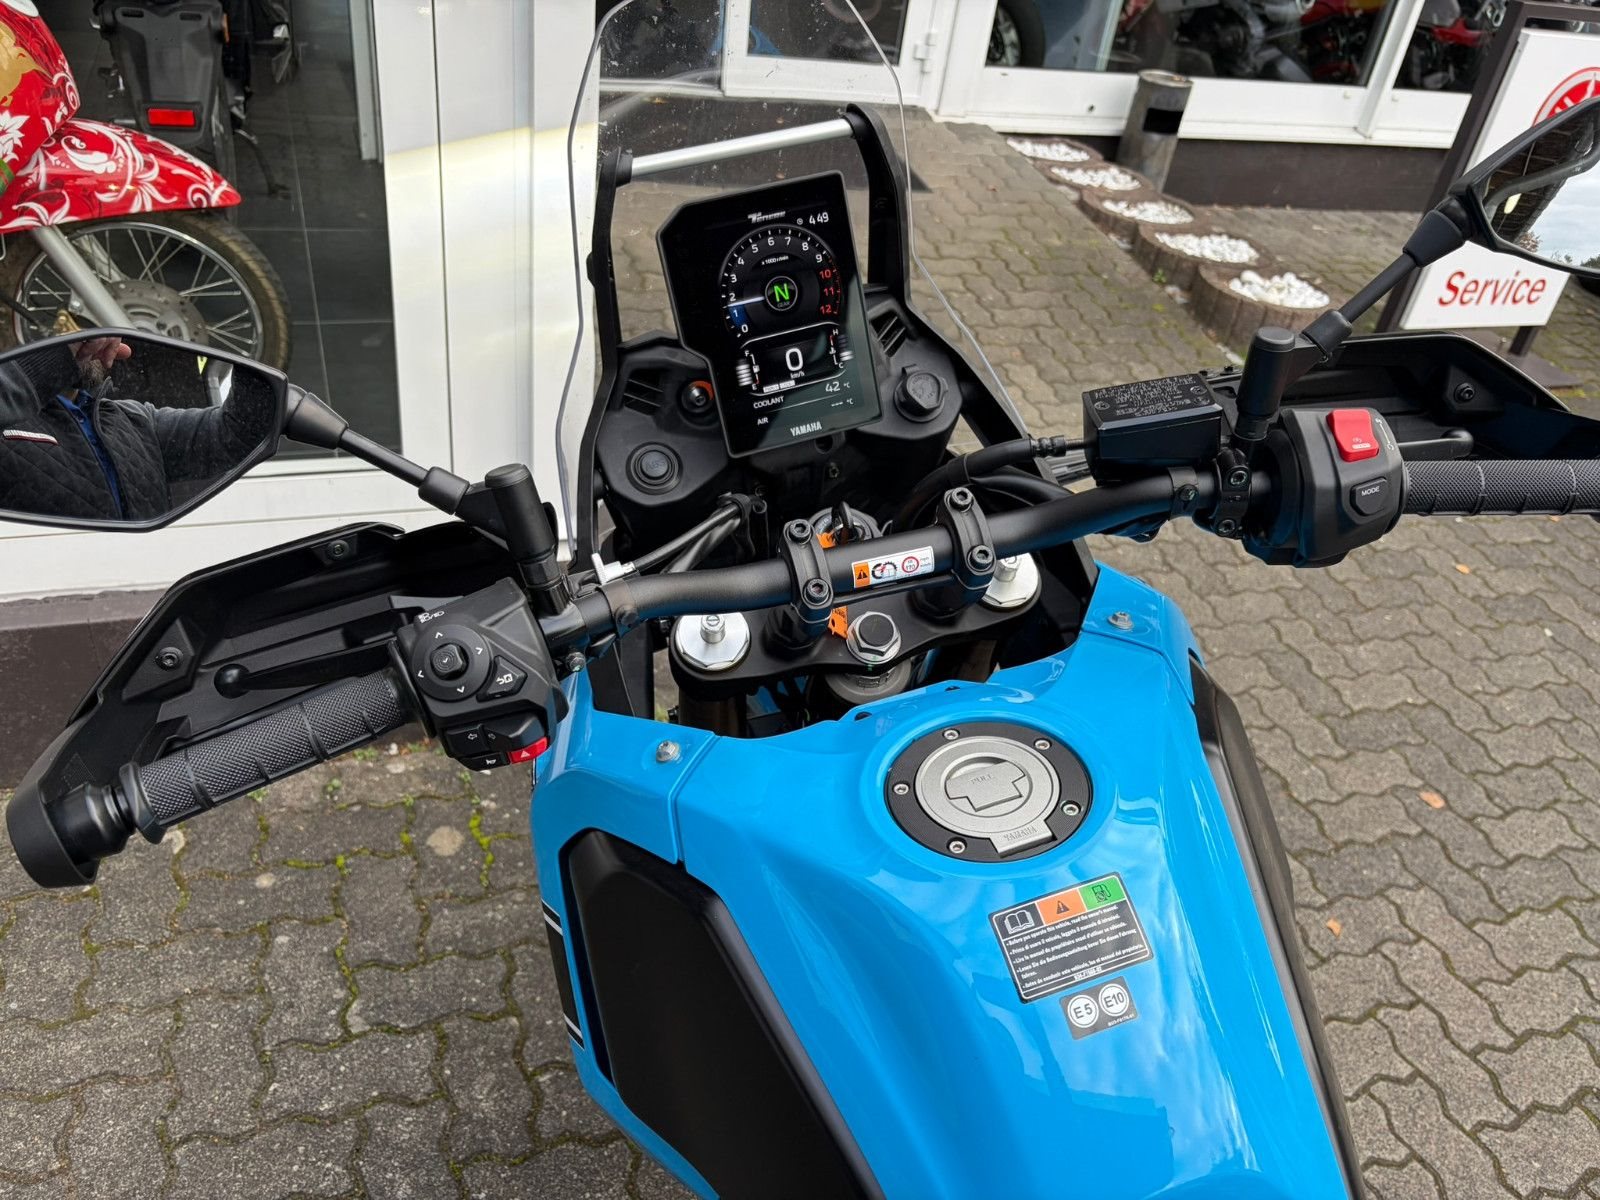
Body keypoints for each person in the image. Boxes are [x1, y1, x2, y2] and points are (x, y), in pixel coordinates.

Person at [0, 336, 277, 522]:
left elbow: (234, 433)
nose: (91, 344)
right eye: (72, 335)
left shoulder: (134, 419)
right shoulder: (10, 423)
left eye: (95, 337)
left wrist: (255, 366)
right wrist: (56, 358)